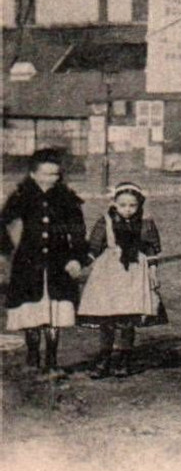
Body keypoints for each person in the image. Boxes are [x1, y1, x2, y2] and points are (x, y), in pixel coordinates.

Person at [2, 149, 92, 377]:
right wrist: (5, 251)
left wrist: (76, 258)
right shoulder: (22, 196)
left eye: (55, 174)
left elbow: (78, 231)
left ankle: (52, 361)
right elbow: (2, 222)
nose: (51, 179)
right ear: (33, 174)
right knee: (31, 309)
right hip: (28, 263)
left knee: (55, 310)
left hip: (58, 263)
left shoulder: (66, 198)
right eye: (46, 174)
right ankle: (33, 358)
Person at [77, 182, 167, 379]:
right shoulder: (106, 221)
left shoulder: (145, 222)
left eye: (132, 205)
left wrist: (153, 273)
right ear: (114, 203)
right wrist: (80, 264)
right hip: (109, 274)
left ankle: (124, 360)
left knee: (128, 319)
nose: (128, 210)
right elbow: (94, 247)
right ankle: (103, 361)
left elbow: (151, 250)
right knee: (107, 319)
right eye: (123, 205)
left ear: (139, 204)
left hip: (135, 273)